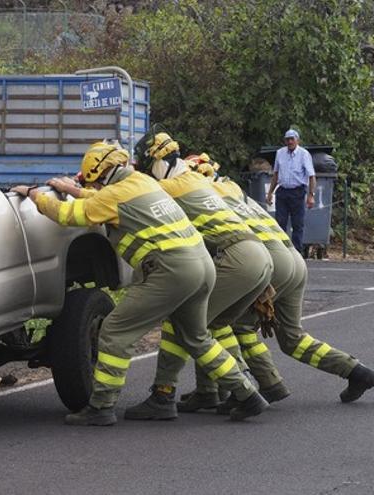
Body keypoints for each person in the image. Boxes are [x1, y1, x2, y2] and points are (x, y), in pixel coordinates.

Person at [10, 141, 266, 426]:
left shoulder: (114, 195)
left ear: (102, 174)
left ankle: (101, 406)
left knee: (115, 330)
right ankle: (247, 394)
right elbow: (105, 199)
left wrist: (35, 195)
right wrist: (74, 190)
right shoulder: (141, 181)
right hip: (203, 265)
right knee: (197, 337)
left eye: (92, 182)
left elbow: (70, 215)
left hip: (171, 270)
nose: (92, 187)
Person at [189, 157, 374, 407]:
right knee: (292, 338)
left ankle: (252, 387)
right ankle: (357, 372)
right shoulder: (236, 193)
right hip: (293, 259)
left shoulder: (204, 199)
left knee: (227, 323)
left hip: (270, 262)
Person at [123, 136, 273, 421]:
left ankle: (165, 394)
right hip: (256, 255)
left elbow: (134, 193)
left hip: (236, 257)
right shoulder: (195, 180)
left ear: (158, 162)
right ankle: (219, 391)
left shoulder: (170, 186)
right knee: (214, 324)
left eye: (147, 166)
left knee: (185, 325)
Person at [266, 129, 316, 252]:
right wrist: (270, 193)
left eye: (292, 139)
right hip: (283, 191)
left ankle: (297, 252)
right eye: (287, 139)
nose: (289, 142)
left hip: (297, 192)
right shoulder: (280, 153)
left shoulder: (304, 154)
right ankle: (282, 251)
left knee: (297, 224)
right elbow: (276, 175)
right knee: (280, 223)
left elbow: (311, 176)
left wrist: (311, 195)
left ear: (297, 140)